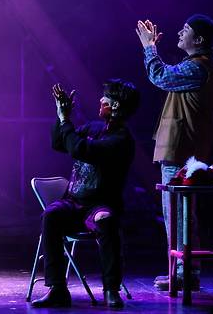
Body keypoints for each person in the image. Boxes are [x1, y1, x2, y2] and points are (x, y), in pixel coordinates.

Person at [31, 79, 140, 308]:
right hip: (74, 202)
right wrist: (62, 115)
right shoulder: (93, 127)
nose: (101, 100)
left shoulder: (121, 140)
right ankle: (57, 289)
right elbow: (59, 143)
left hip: (101, 204)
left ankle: (111, 289)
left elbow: (80, 149)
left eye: (106, 98)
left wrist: (65, 121)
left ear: (116, 106)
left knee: (106, 220)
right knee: (51, 215)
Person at [135, 14, 213, 291]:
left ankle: (185, 271)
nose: (180, 33)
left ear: (200, 39)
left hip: (182, 148)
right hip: (180, 147)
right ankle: (181, 270)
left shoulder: (199, 67)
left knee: (178, 213)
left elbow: (160, 76)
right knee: (177, 213)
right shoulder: (193, 64)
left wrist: (149, 48)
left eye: (186, 30)